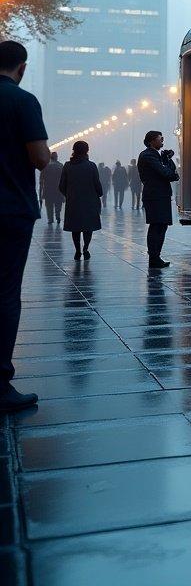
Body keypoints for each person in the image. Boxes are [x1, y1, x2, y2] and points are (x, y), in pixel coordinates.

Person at [0, 40, 49, 412]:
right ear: (22, 67)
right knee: (4, 294)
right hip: (10, 210)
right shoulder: (22, 101)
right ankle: (1, 384)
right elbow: (40, 158)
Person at [138, 131, 178, 269]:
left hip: (160, 195)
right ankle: (154, 258)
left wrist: (167, 159)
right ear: (151, 141)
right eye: (160, 139)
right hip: (155, 196)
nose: (163, 142)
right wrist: (168, 168)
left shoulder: (156, 155)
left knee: (161, 225)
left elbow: (171, 172)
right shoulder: (148, 156)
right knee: (156, 226)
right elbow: (166, 173)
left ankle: (156, 256)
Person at [59, 141, 102, 260]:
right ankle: (86, 248)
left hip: (73, 202)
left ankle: (77, 250)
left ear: (73, 150)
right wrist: (99, 194)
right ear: (87, 151)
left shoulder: (67, 166)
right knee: (88, 227)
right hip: (90, 202)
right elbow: (97, 184)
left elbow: (62, 186)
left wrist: (69, 195)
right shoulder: (91, 166)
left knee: (75, 227)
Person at [38, 151, 63, 226]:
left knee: (49, 205)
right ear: (56, 157)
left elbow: (41, 180)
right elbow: (64, 179)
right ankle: (58, 216)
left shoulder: (45, 166)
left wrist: (40, 192)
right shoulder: (60, 166)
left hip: (48, 189)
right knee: (58, 204)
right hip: (58, 189)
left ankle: (50, 218)